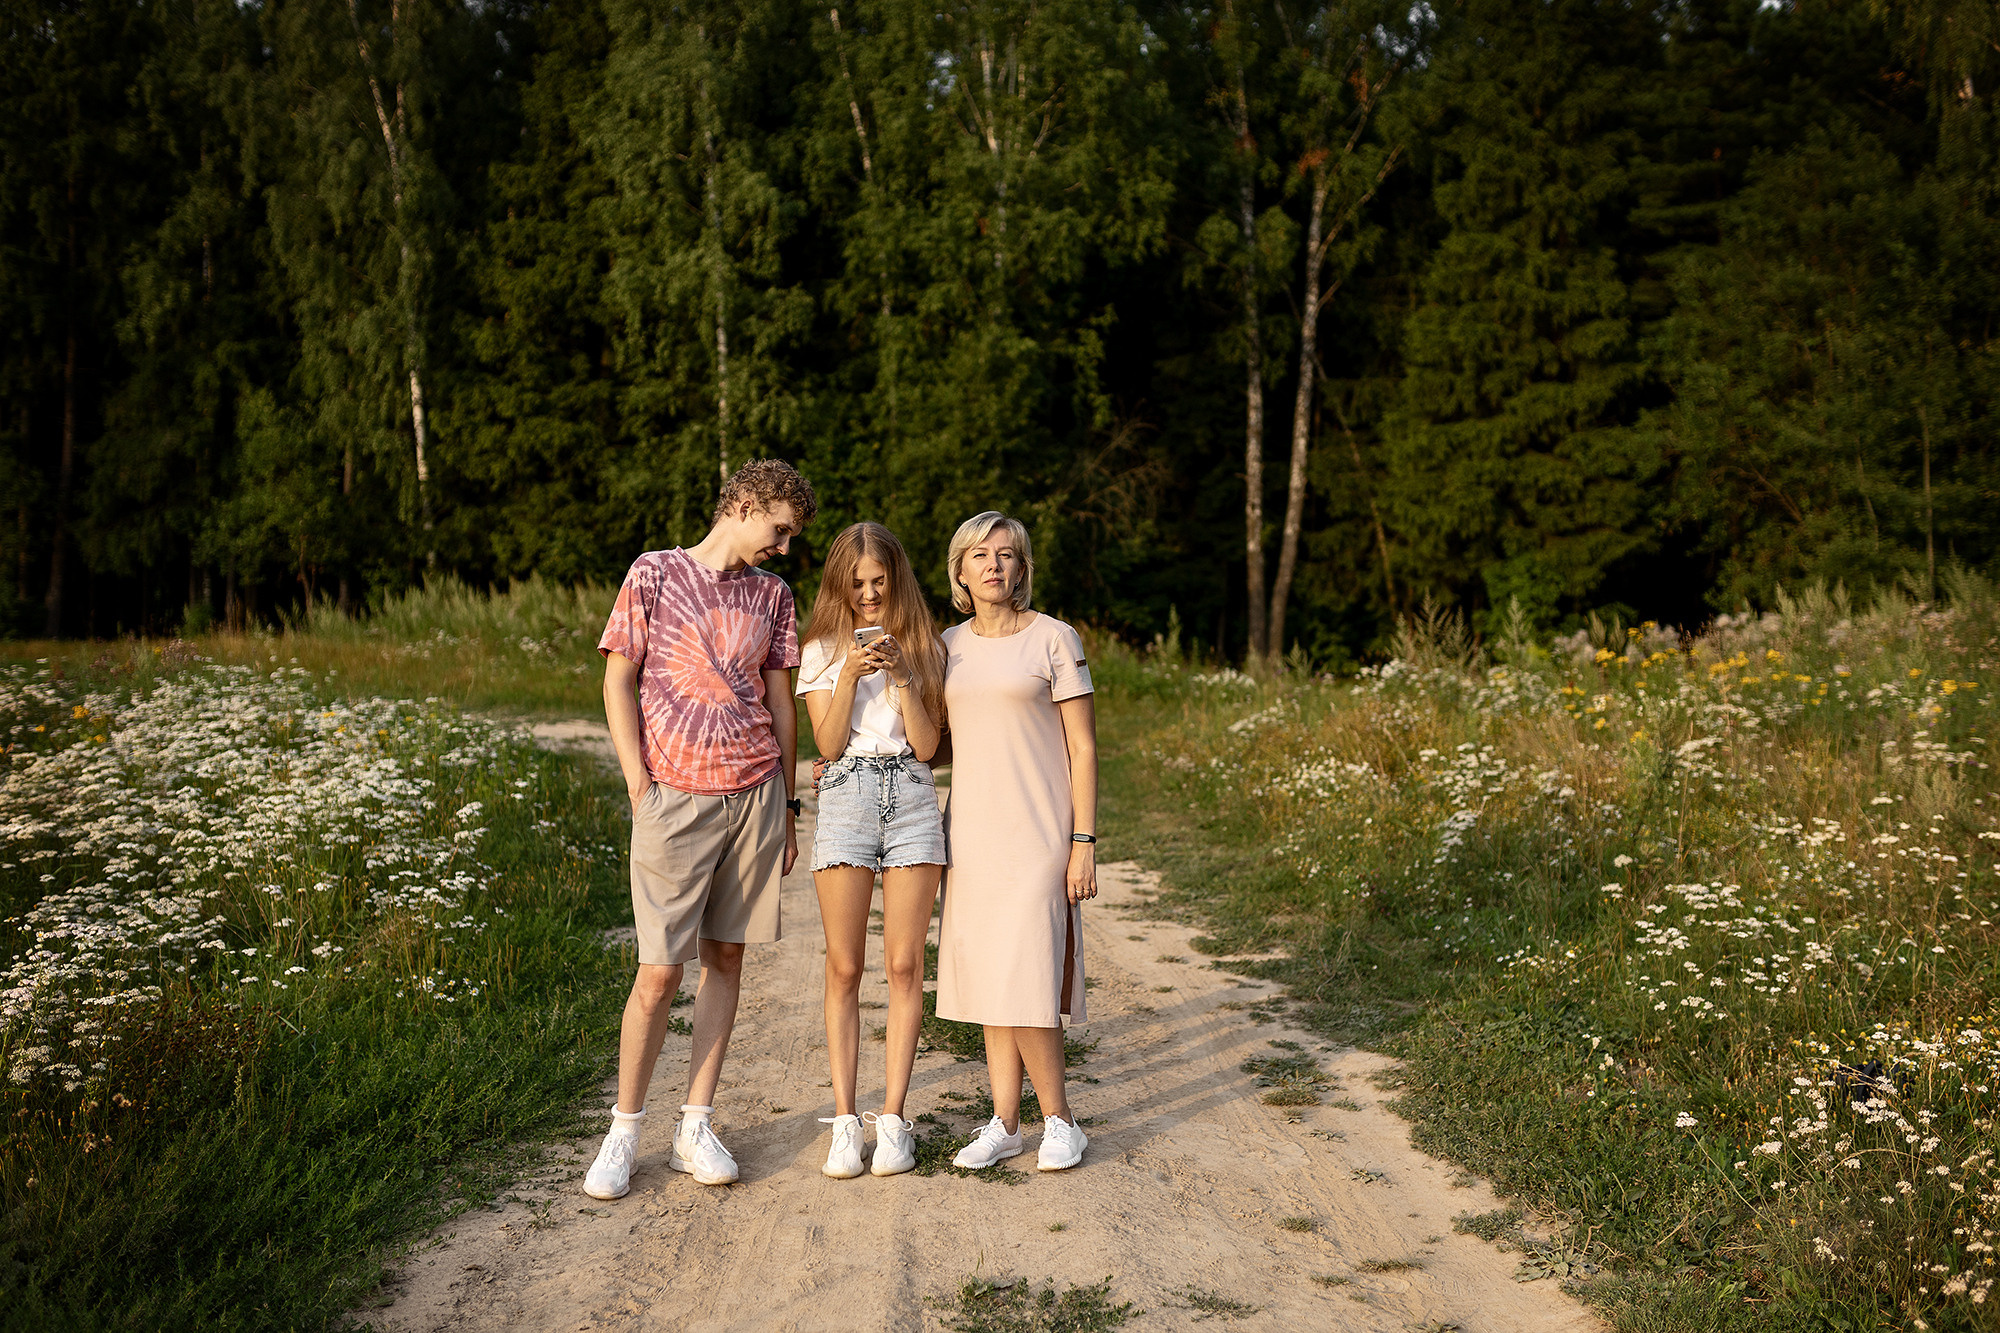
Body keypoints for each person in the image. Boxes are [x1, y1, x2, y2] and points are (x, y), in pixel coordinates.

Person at [582, 459, 817, 1201]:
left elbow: (781, 701)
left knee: (727, 959)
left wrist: (784, 804)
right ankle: (624, 1130)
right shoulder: (653, 573)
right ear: (743, 504)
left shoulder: (774, 595)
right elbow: (618, 679)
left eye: (791, 537)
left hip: (752, 794)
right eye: (779, 529)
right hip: (673, 798)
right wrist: (637, 783)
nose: (784, 546)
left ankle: (694, 1125)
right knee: (657, 973)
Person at [933, 510, 1097, 1173]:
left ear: (1023, 568)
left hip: (1039, 832)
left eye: (1007, 554)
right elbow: (932, 741)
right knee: (991, 976)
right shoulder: (945, 644)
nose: (995, 564)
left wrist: (1083, 839)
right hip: (970, 831)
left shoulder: (1055, 638)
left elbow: (1083, 746)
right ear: (960, 571)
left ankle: (1061, 1119)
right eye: (980, 554)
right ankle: (1004, 1122)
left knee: (1028, 973)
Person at [796, 522, 947, 1179]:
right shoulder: (820, 649)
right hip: (849, 793)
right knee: (844, 966)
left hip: (912, 794)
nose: (867, 595)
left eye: (878, 582)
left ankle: (893, 1120)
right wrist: (849, 673)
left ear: (896, 578)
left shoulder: (926, 644)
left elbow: (929, 745)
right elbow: (827, 746)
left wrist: (906, 678)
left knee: (906, 963)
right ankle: (845, 1119)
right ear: (839, 583)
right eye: (855, 584)